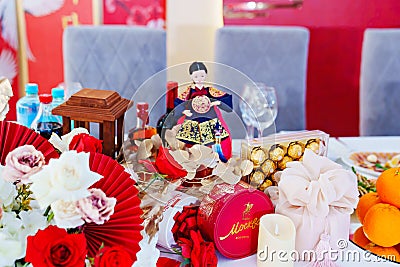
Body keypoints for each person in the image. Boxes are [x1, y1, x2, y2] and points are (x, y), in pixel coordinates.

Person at [174, 62, 233, 161]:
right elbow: (179, 103)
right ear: (191, 76)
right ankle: (192, 159)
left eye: (202, 75)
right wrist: (184, 111)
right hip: (193, 118)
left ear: (206, 74)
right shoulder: (188, 91)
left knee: (217, 139)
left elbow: (222, 98)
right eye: (196, 76)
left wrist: (215, 103)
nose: (199, 78)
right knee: (190, 141)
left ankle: (216, 158)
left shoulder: (210, 90)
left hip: (210, 118)